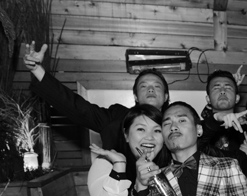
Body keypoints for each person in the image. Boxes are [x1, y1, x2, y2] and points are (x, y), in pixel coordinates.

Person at [23, 41, 170, 150]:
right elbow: (78, 108)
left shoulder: (174, 123)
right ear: (136, 97)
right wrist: (37, 70)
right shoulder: (116, 117)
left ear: (166, 96)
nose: (151, 89)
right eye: (143, 86)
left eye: (157, 86)